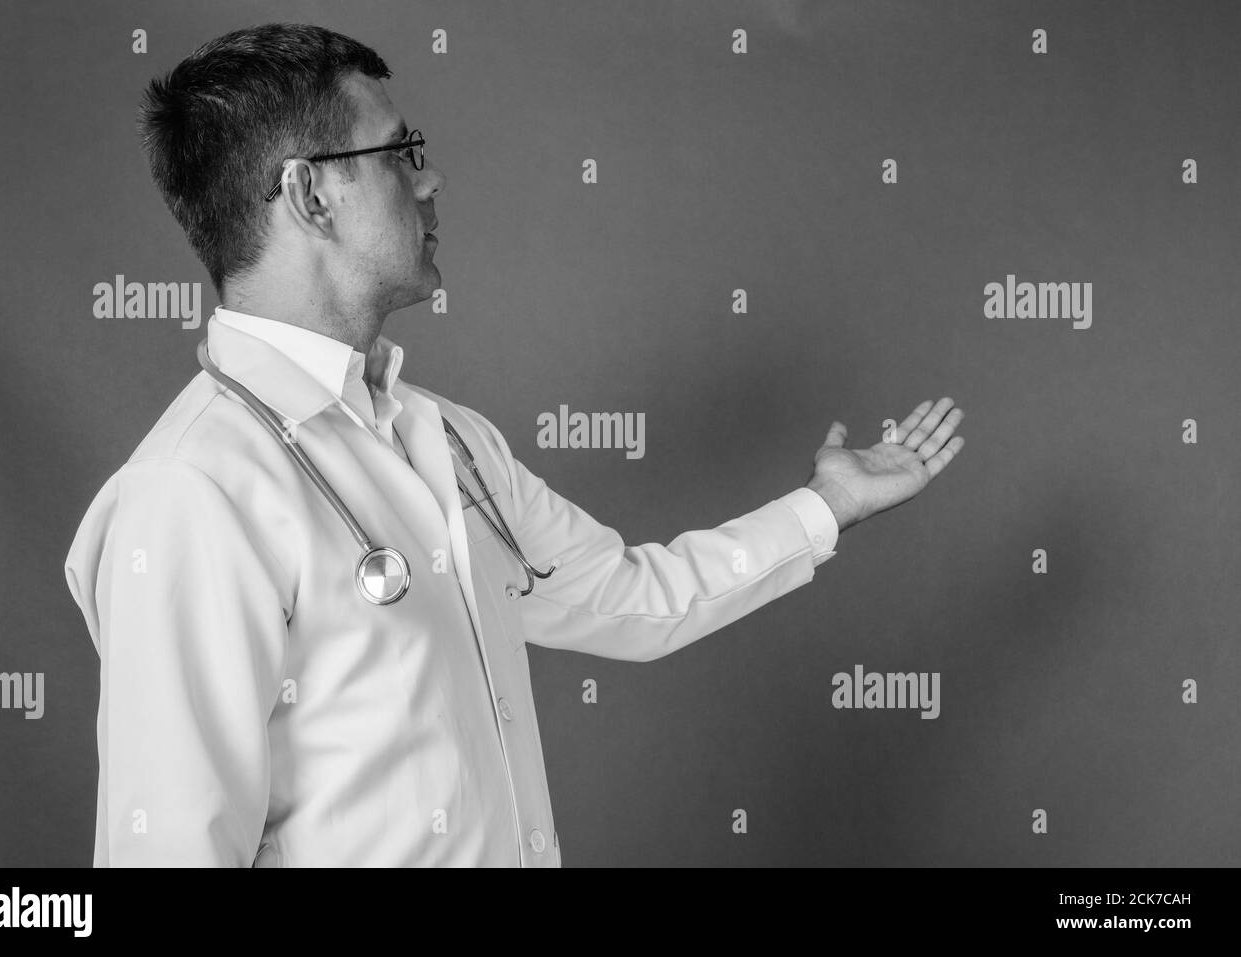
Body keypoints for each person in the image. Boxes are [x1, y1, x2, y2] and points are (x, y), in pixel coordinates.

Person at [64, 22, 966, 867]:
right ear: (310, 193)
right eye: (401, 152)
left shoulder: (442, 437)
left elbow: (630, 597)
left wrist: (828, 506)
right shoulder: (190, 492)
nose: (430, 180)